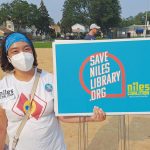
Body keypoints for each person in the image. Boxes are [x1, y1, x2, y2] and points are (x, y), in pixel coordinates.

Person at [0, 32, 106, 150]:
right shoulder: (3, 87)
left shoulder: (51, 79)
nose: (22, 54)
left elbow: (63, 116)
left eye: (26, 49)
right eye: (15, 51)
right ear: (8, 57)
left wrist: (92, 118)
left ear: (32, 52)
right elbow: (1, 128)